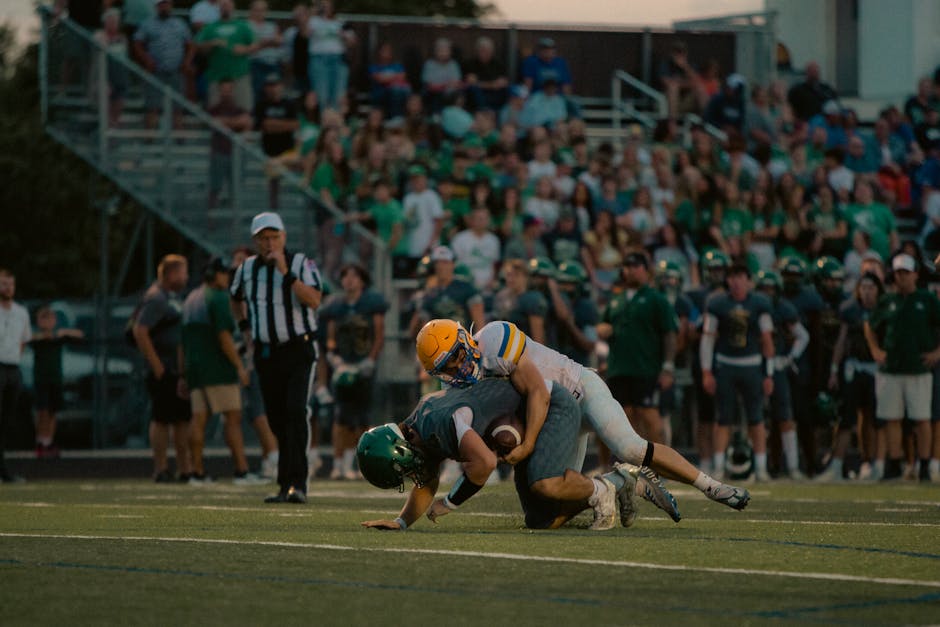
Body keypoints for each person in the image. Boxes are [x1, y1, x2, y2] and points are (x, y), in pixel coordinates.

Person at [416, 318, 752, 519]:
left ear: (465, 340)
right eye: (445, 367)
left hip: (577, 391)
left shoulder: (494, 338)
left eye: (457, 356)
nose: (457, 368)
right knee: (550, 508)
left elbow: (538, 392)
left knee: (630, 446)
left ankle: (712, 486)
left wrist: (528, 442)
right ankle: (626, 484)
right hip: (554, 420)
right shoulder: (467, 387)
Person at [358, 378, 666, 531]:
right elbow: (425, 482)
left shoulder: (438, 423)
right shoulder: (419, 429)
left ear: (403, 446)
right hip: (516, 420)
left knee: (544, 484)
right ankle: (621, 481)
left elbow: (484, 464)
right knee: (541, 520)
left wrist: (450, 502)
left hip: (546, 406)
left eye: (403, 469)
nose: (410, 474)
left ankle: (608, 486)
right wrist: (401, 522)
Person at [230, 212, 323, 503]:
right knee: (277, 419)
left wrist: (286, 273)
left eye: (273, 237)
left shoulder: (299, 263)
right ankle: (285, 483)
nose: (269, 243)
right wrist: (246, 331)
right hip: (266, 352)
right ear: (255, 241)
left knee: (296, 411)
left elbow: (314, 300)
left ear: (283, 237)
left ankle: (299, 483)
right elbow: (235, 297)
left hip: (298, 349)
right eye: (263, 238)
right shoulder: (246, 269)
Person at [181, 257, 265, 485]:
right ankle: (241, 470)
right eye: (224, 273)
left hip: (196, 368)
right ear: (214, 274)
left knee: (198, 419)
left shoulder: (191, 298)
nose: (228, 277)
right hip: (218, 367)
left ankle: (196, 472)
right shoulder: (218, 298)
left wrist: (183, 373)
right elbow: (224, 336)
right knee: (233, 417)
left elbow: (184, 341)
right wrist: (239, 366)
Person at [864, 253, 940, 482]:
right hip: (891, 369)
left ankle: (925, 465)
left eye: (906, 272)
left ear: (915, 274)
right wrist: (875, 350)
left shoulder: (927, 299)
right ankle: (894, 463)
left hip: (918, 368)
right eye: (898, 273)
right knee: (891, 418)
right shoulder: (888, 301)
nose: (902, 277)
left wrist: (937, 352)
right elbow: (869, 324)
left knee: (922, 419)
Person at [700, 263, 775, 481]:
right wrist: (707, 371)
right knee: (723, 419)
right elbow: (708, 338)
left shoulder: (760, 303)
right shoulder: (717, 303)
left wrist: (768, 373)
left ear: (748, 280)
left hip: (752, 365)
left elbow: (767, 340)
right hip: (726, 365)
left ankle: (761, 467)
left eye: (740, 276)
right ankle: (719, 466)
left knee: (756, 418)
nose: (736, 281)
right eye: (732, 277)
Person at [597, 252, 678, 444]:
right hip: (618, 367)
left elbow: (670, 334)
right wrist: (602, 353)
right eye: (627, 266)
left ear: (646, 270)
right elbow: (602, 329)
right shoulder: (616, 299)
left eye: (636, 266)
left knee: (649, 415)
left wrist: (668, 367)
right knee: (623, 416)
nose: (631, 270)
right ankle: (631, 464)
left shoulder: (656, 299)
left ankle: (661, 464)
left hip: (646, 367)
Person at [319, 263, 389, 480]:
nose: (349, 280)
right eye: (345, 276)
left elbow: (379, 334)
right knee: (341, 417)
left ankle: (362, 464)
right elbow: (330, 337)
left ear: (362, 280)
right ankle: (338, 463)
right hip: (343, 366)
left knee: (363, 417)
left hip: (364, 366)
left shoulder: (372, 302)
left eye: (354, 276)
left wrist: (370, 360)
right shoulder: (335, 305)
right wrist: (334, 358)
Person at [817, 271, 884, 481]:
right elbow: (841, 341)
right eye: (863, 287)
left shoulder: (884, 309)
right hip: (853, 367)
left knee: (872, 419)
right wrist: (834, 370)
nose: (866, 291)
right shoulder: (850, 309)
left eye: (870, 287)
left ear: (878, 290)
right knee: (846, 419)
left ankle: (870, 463)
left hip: (877, 369)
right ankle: (836, 465)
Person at [132, 254, 193, 483]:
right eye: (183, 272)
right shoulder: (156, 298)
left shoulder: (171, 297)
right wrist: (158, 368)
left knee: (181, 420)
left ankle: (184, 468)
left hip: (176, 371)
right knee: (162, 419)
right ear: (172, 273)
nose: (186, 277)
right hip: (163, 369)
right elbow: (141, 330)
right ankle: (161, 468)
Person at [754, 269, 810, 479]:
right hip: (752, 366)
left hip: (775, 366)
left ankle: (793, 467)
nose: (767, 293)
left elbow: (803, 336)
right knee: (754, 419)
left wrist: (789, 357)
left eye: (771, 289)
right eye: (764, 289)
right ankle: (754, 466)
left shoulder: (783, 308)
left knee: (785, 416)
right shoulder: (752, 306)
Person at [230, 246, 279, 480]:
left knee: (260, 412)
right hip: (251, 355)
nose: (236, 264)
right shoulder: (242, 290)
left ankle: (274, 459)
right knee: (256, 412)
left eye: (241, 260)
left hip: (257, 357)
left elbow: (252, 330)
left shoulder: (254, 294)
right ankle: (270, 458)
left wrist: (247, 360)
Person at [28, 304, 84, 459]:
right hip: (41, 379)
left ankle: (48, 441)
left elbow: (79, 334)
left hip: (55, 379)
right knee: (42, 411)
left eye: (50, 318)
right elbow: (26, 339)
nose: (47, 322)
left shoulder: (58, 337)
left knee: (53, 411)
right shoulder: (37, 338)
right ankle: (41, 441)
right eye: (43, 319)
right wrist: (42, 336)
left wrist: (63, 331)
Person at [132, 0, 193, 130]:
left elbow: (190, 45)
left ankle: (179, 138)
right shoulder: (147, 24)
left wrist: (186, 62)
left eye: (167, 4)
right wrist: (146, 59)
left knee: (178, 107)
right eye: (161, 4)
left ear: (171, 6)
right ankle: (149, 138)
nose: (164, 7)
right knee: (152, 106)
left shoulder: (180, 24)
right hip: (155, 71)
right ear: (157, 7)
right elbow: (137, 43)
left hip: (176, 70)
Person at [192, 0, 256, 111]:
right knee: (215, 112)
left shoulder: (242, 26)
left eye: (228, 5)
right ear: (218, 8)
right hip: (216, 77)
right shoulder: (210, 27)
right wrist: (212, 43)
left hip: (239, 76)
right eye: (223, 5)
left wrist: (245, 49)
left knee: (244, 110)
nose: (225, 8)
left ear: (233, 7)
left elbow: (256, 44)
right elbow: (198, 47)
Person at [408, 245, 486, 336]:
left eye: (445, 262)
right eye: (437, 263)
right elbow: (417, 331)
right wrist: (421, 302)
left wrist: (476, 345)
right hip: (438, 343)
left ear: (453, 264)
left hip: (463, 343)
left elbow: (480, 323)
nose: (440, 267)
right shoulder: (429, 293)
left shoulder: (466, 287)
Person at [0, 269, 31, 483]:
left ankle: (3, 471)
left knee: (6, 421)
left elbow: (23, 341)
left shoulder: (21, 312)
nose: (7, 288)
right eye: (3, 284)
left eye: (10, 284)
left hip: (13, 370)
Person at [254, 73, 299, 209]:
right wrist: (284, 125)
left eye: (275, 85)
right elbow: (264, 126)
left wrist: (274, 125)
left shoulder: (289, 104)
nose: (273, 89)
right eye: (270, 85)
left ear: (281, 86)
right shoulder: (261, 104)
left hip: (287, 151)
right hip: (269, 151)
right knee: (273, 181)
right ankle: (274, 207)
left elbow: (295, 125)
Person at [207, 78, 253, 210]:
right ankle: (211, 220)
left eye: (229, 89)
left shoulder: (239, 109)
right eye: (223, 89)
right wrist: (235, 123)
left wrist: (225, 123)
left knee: (236, 190)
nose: (226, 92)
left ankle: (235, 221)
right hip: (219, 153)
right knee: (214, 188)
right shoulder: (213, 109)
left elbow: (246, 123)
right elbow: (214, 123)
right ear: (219, 91)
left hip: (236, 154)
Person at [306, 0, 354, 112]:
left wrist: (342, 35)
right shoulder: (313, 20)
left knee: (338, 97)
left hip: (338, 60)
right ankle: (325, 125)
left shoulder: (341, 21)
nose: (325, 7)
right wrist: (311, 13)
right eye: (323, 5)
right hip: (319, 60)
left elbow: (352, 42)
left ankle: (335, 125)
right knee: (322, 96)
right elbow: (305, 34)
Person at [450, 207, 501, 292]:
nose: (482, 221)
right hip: (465, 286)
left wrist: (492, 281)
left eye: (484, 218)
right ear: (472, 220)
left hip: (487, 287)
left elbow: (495, 264)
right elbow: (453, 264)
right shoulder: (459, 239)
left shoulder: (493, 240)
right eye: (479, 218)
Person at [245, 0, 281, 103]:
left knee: (275, 94)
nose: (260, 13)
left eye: (263, 10)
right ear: (251, 11)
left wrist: (262, 43)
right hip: (255, 63)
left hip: (272, 63)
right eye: (257, 10)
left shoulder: (271, 25)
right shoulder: (246, 26)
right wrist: (268, 42)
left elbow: (279, 40)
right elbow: (251, 46)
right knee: (257, 92)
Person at [463, 36, 509, 112]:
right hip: (479, 94)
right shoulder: (470, 64)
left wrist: (484, 84)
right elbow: (471, 83)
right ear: (477, 51)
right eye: (483, 50)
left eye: (488, 50)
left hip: (495, 93)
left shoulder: (498, 64)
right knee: (474, 90)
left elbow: (504, 82)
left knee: (508, 90)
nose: (485, 53)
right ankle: (485, 113)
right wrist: (491, 85)